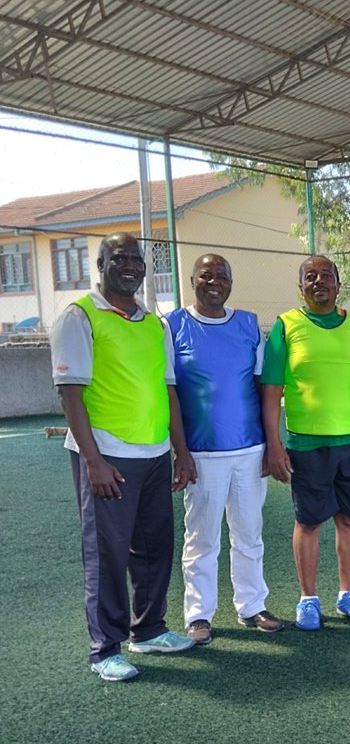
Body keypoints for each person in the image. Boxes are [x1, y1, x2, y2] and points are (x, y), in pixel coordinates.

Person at [49, 233, 196, 682]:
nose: (130, 265)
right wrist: (93, 461)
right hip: (107, 455)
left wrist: (181, 451)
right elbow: (70, 393)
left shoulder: (155, 324)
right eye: (119, 258)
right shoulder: (80, 316)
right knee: (107, 554)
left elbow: (168, 390)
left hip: (153, 452)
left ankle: (148, 629)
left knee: (154, 547)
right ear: (100, 265)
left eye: (136, 258)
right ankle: (105, 649)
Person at [262, 255, 350, 630]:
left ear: (338, 284)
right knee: (308, 521)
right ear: (300, 286)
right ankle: (308, 599)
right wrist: (275, 445)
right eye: (310, 276)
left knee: (349, 519)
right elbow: (271, 393)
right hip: (306, 444)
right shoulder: (286, 326)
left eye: (326, 275)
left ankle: (347, 595)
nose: (318, 281)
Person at [166, 254, 284, 645]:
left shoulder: (249, 324)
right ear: (192, 281)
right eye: (206, 275)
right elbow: (169, 392)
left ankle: (252, 605)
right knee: (201, 538)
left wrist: (270, 445)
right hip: (201, 452)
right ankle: (198, 614)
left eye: (222, 276)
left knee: (249, 532)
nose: (214, 282)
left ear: (231, 282)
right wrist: (181, 451)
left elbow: (264, 388)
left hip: (249, 449)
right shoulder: (172, 326)